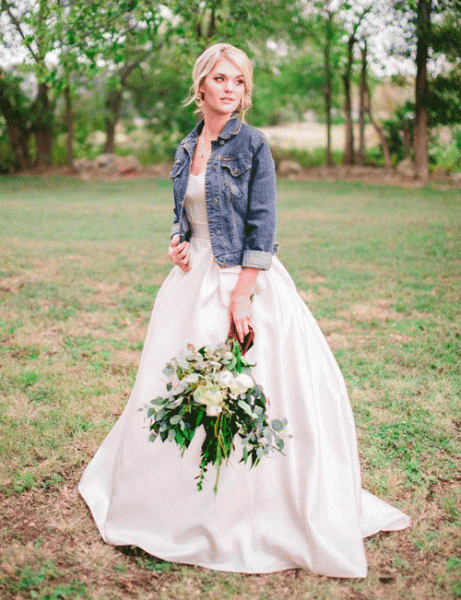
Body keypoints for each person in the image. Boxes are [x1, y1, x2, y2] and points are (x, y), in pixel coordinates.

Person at [78, 43, 410, 578]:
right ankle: (177, 501)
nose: (230, 88)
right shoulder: (187, 146)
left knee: (249, 388)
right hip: (191, 282)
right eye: (220, 78)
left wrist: (241, 295)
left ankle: (252, 508)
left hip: (243, 278)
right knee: (184, 388)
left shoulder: (253, 145)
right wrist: (176, 242)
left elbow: (264, 224)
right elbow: (184, 214)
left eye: (239, 81)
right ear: (201, 86)